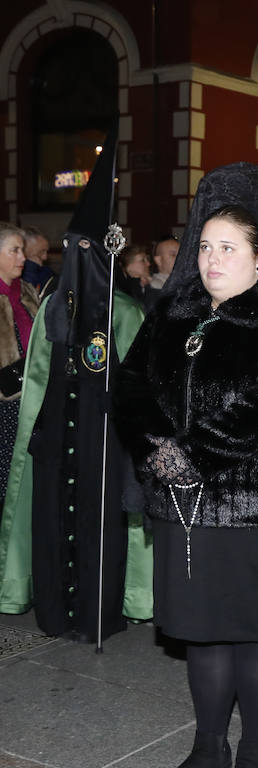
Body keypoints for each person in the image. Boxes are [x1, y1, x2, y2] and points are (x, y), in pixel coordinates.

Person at [114, 163, 258, 768]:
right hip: (182, 505)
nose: (211, 260)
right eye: (204, 247)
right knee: (202, 631)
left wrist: (195, 454)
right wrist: (158, 447)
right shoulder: (173, 311)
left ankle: (256, 752)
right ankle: (209, 742)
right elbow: (130, 386)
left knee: (255, 634)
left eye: (228, 248)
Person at [0, 125, 153, 642]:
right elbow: (40, 372)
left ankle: (98, 609)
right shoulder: (51, 307)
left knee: (97, 526)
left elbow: (136, 384)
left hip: (103, 442)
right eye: (71, 246)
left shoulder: (126, 312)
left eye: (84, 247)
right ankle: (53, 607)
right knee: (52, 521)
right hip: (57, 439)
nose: (75, 255)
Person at [0, 223, 40, 499]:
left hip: (31, 397)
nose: (22, 258)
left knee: (25, 482)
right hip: (4, 406)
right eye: (14, 250)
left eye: (22, 250)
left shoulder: (27, 293)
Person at [21, 226, 55, 296]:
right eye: (41, 251)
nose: (45, 257)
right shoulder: (14, 272)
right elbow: (28, 297)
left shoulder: (45, 271)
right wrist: (31, 266)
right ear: (24, 249)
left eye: (46, 251)